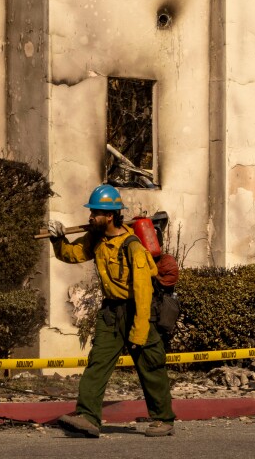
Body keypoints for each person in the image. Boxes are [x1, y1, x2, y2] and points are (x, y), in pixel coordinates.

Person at [46, 184, 176, 438]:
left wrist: (139, 332)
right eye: (92, 212)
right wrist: (57, 238)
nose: (91, 216)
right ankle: (88, 417)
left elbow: (142, 293)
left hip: (137, 311)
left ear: (110, 216)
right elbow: (72, 254)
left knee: (150, 366)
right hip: (110, 311)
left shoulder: (133, 247)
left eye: (96, 212)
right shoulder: (96, 239)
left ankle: (163, 419)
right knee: (98, 364)